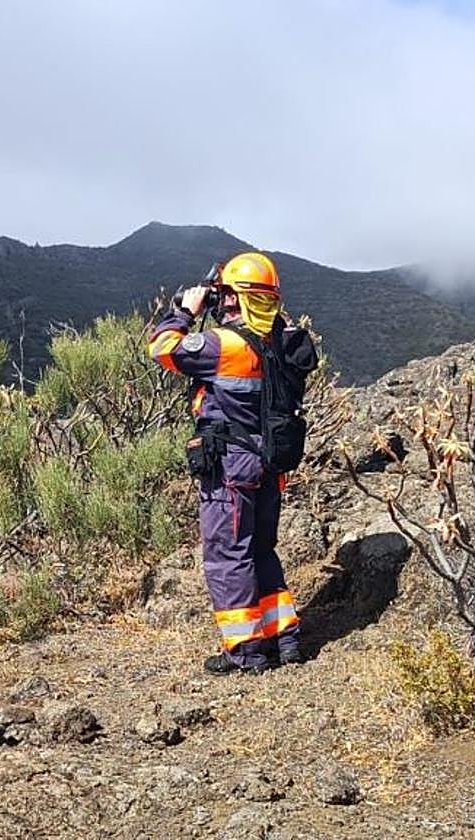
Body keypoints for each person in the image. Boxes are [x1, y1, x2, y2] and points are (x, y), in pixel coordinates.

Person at [147, 252, 306, 675]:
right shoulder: (282, 340)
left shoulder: (225, 344)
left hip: (232, 467)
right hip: (271, 463)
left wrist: (184, 310)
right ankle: (283, 638)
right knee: (260, 549)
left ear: (236, 297)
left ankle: (247, 650)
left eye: (226, 294)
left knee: (227, 555)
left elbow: (162, 350)